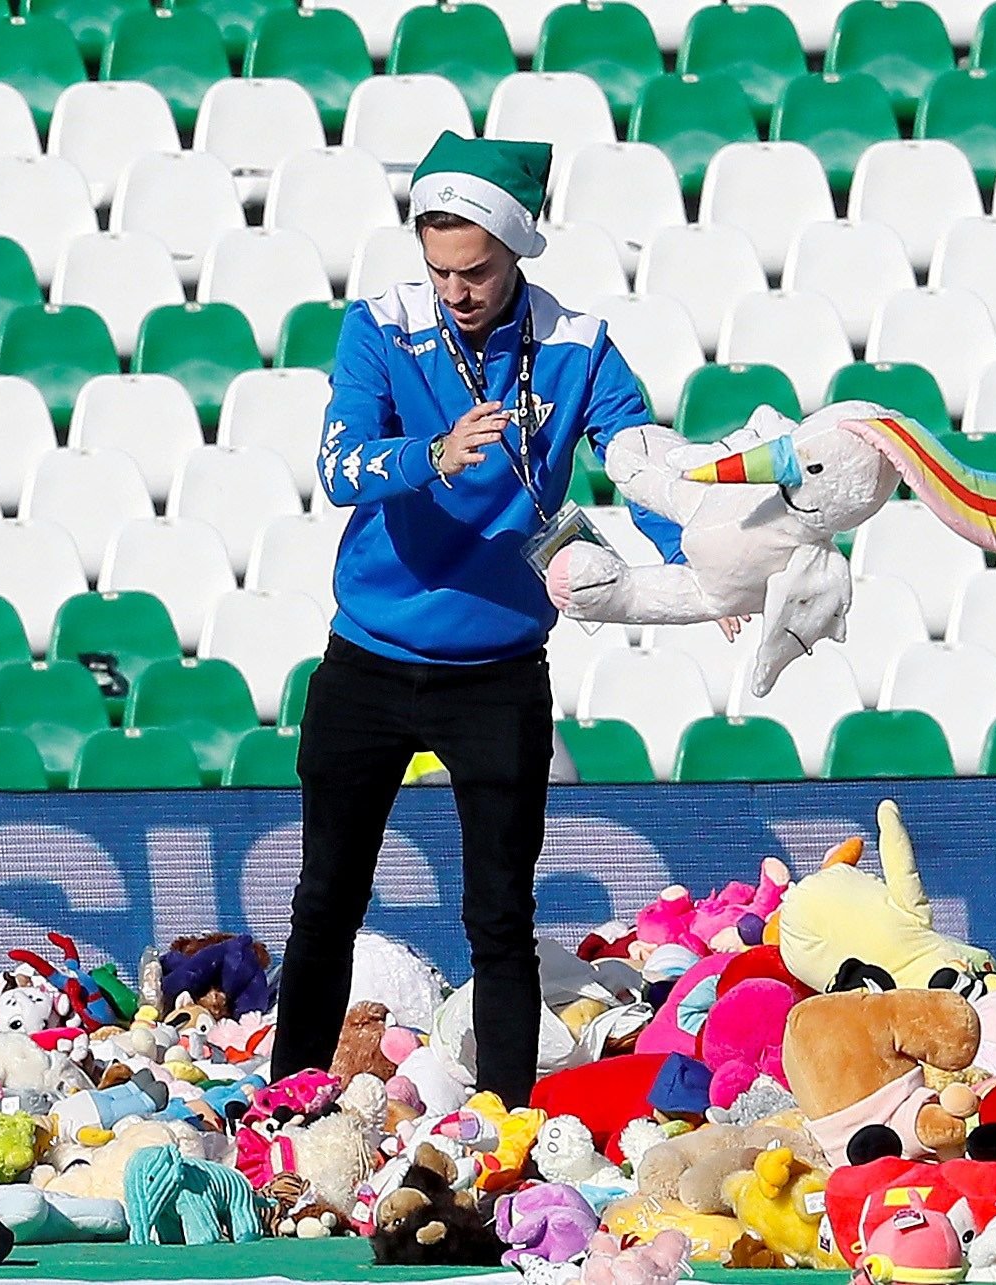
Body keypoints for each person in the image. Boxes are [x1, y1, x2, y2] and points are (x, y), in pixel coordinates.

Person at [269, 133, 671, 1103]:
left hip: (497, 671)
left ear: (519, 250)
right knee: (326, 902)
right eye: (440, 268)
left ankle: (505, 1121)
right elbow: (338, 466)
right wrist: (432, 455)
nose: (457, 289)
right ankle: (289, 1103)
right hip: (367, 658)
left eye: (478, 270)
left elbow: (643, 462)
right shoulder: (379, 325)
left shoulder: (578, 344)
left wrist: (704, 567)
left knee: (498, 912)